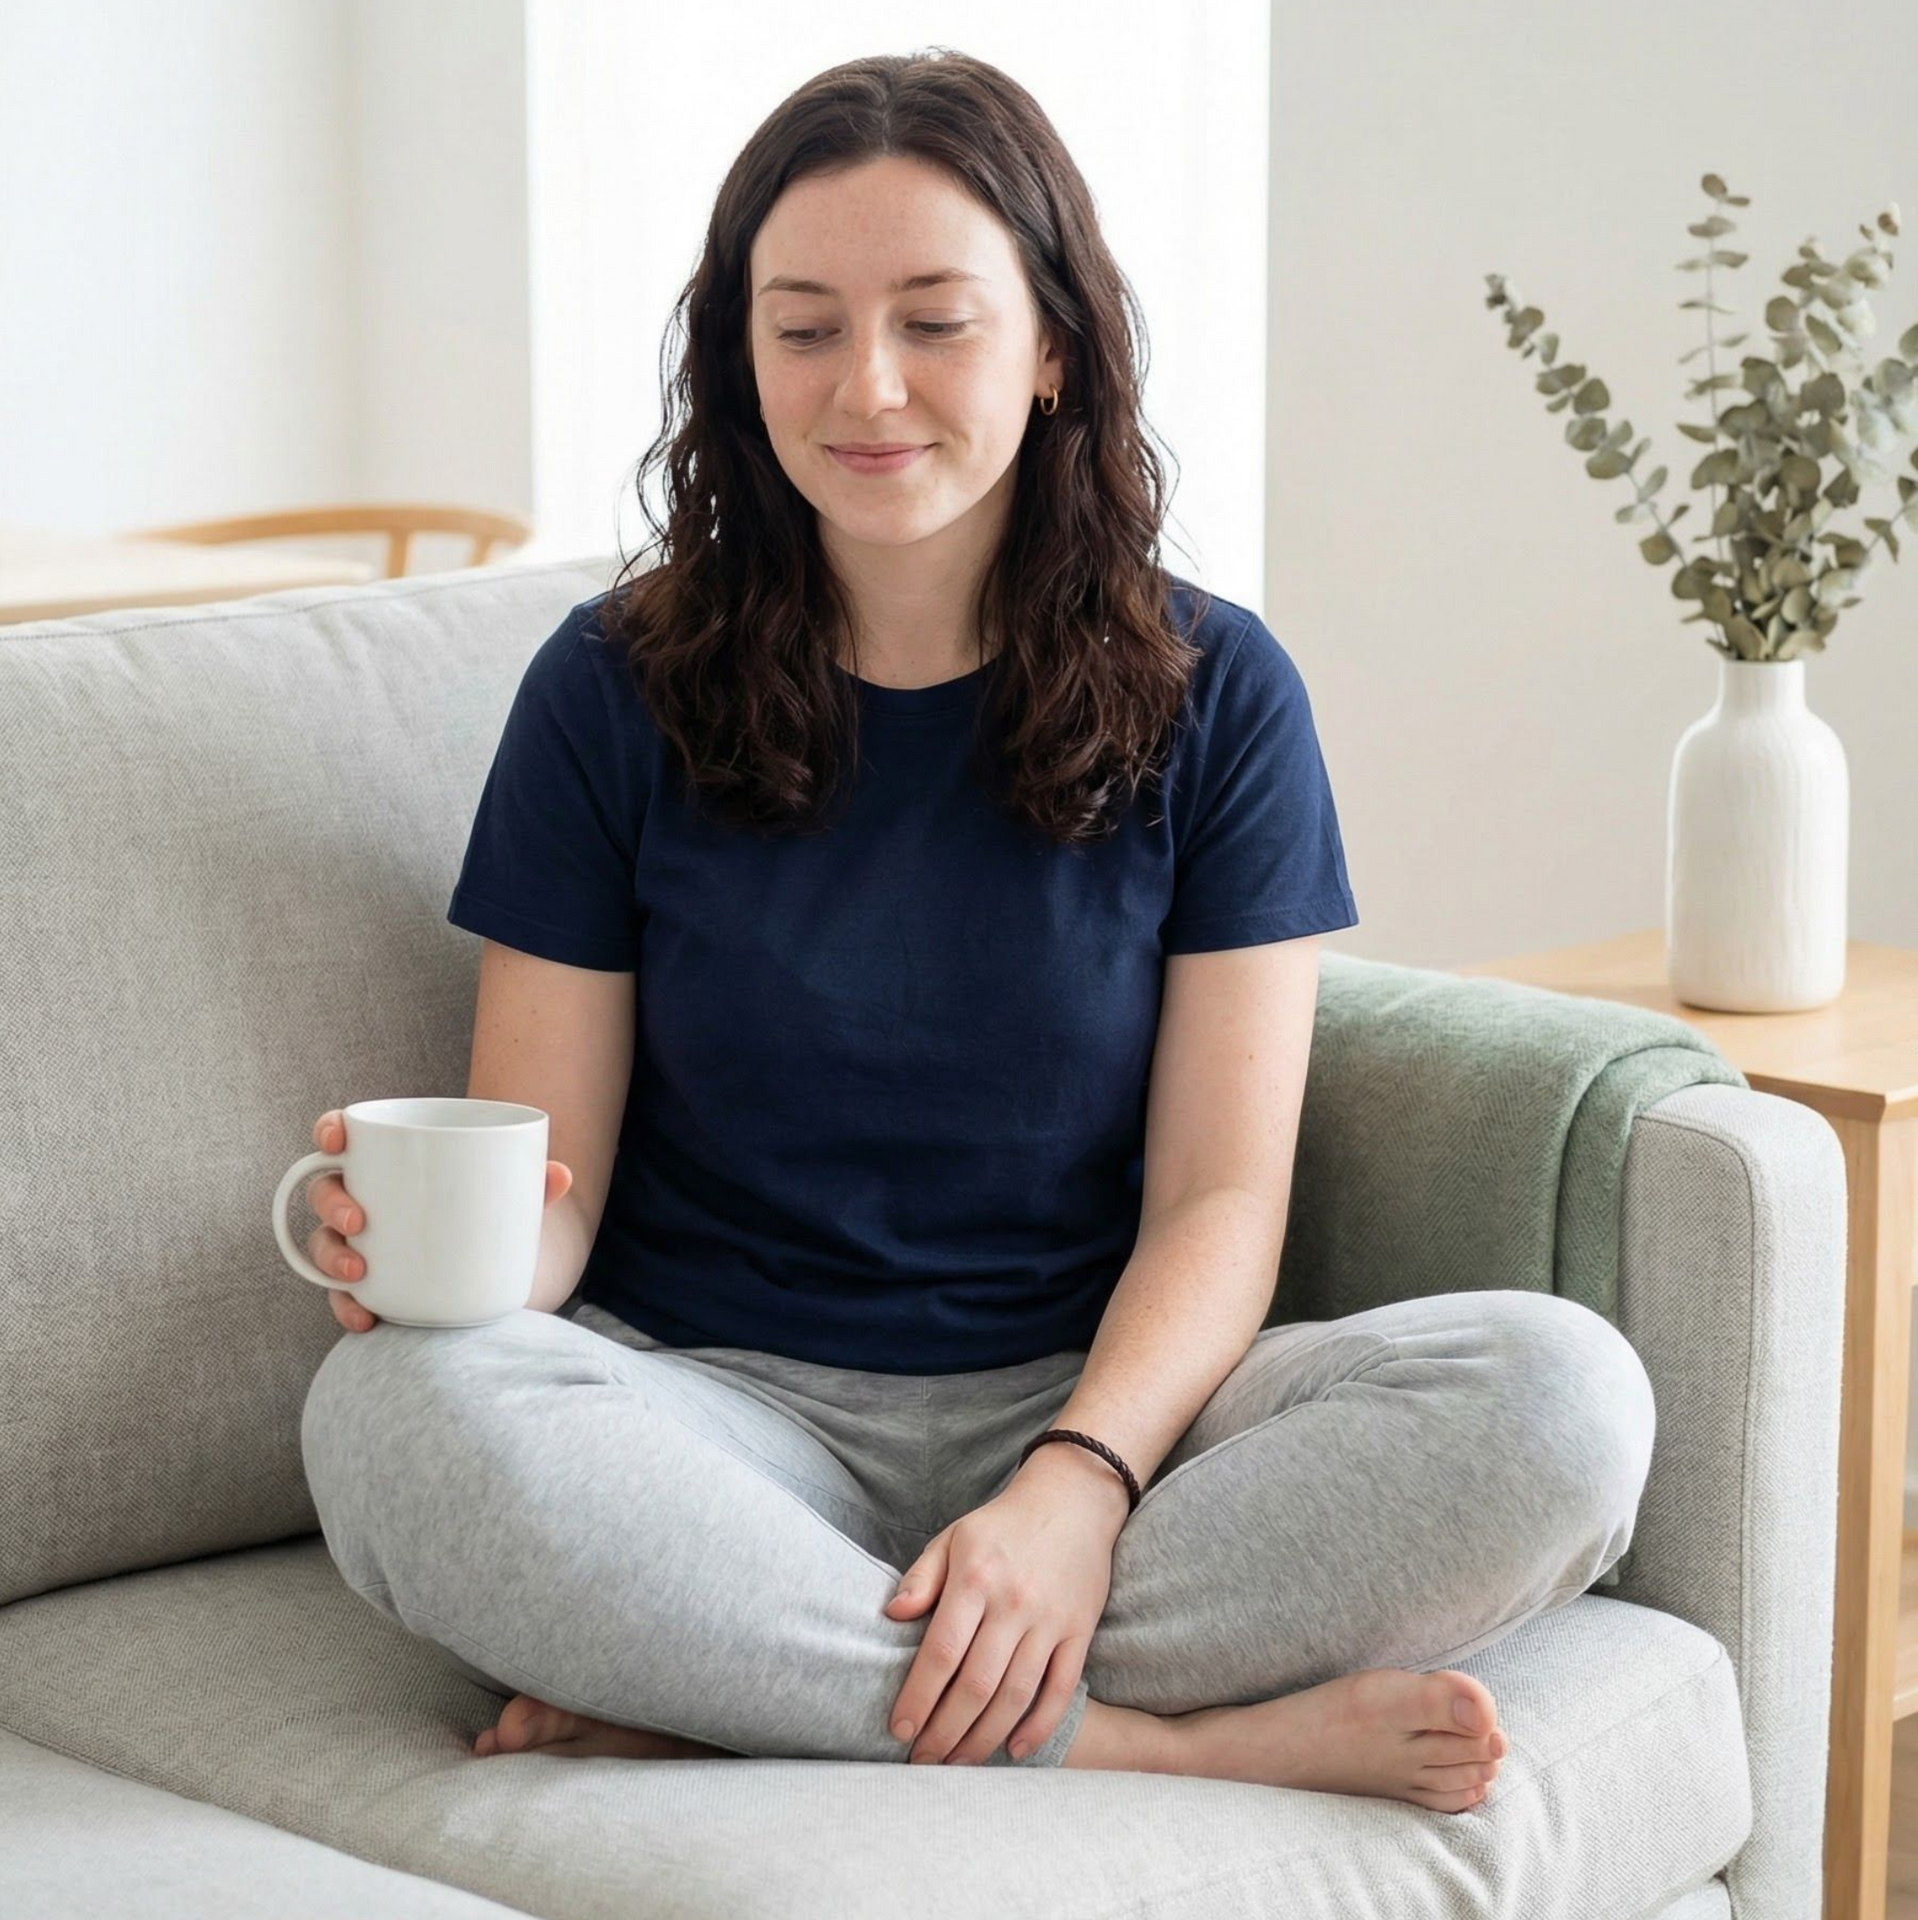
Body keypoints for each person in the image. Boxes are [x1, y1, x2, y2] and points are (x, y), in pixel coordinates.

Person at [298, 49, 1653, 1811]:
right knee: (394, 1417)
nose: (868, 386)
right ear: (738, 359)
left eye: (936, 321)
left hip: (1105, 1423)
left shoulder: (1220, 692)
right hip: (715, 1423)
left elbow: (1223, 1203)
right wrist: (429, 1272)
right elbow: (551, 1212)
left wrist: (1078, 1487)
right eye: (802, 329)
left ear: (1054, 346)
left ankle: (738, 1680)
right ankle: (1154, 1744)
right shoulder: (608, 691)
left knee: (1565, 1398)